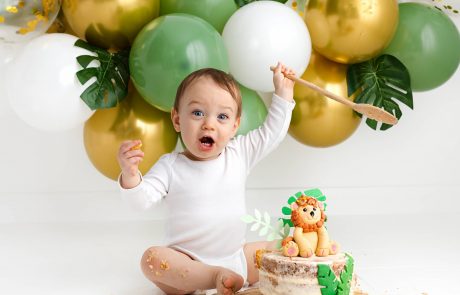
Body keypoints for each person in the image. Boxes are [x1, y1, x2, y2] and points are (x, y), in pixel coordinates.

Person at [117, 62, 296, 295]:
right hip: (187, 266)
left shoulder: (239, 153)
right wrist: (130, 174)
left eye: (222, 116)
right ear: (177, 119)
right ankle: (213, 277)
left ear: (235, 126)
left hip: (237, 259)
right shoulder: (171, 166)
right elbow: (140, 201)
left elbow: (271, 133)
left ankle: (230, 277)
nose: (208, 124)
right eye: (197, 113)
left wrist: (283, 94)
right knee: (151, 259)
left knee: (286, 246)